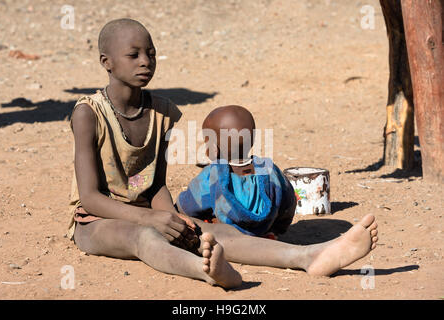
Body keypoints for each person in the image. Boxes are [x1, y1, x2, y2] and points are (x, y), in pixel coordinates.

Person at [68, 18, 379, 290]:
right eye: (133, 55)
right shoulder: (88, 114)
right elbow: (90, 197)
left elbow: (155, 184)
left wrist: (174, 218)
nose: (145, 61)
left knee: (218, 232)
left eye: (151, 53)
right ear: (106, 62)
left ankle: (310, 256)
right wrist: (151, 217)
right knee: (143, 238)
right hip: (97, 222)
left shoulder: (162, 112)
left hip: (149, 212)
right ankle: (208, 273)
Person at [176, 105, 296, 239]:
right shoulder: (269, 170)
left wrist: (177, 209)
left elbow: (188, 206)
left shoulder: (213, 175)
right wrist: (278, 229)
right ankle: (266, 237)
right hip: (264, 231)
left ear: (214, 148)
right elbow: (289, 202)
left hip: (229, 238)